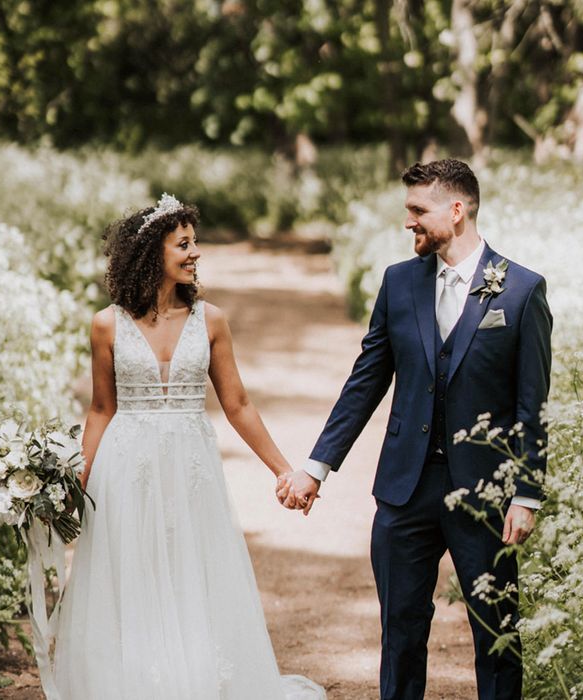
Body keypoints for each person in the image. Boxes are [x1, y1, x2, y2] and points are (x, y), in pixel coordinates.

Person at [277, 160, 552, 700]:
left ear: (457, 210)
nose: (409, 222)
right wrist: (316, 467)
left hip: (484, 495)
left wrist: (526, 493)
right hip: (405, 490)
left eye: (417, 210)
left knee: (497, 635)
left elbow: (532, 405)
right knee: (399, 633)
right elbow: (366, 381)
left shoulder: (521, 291)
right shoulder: (398, 282)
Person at [53, 194, 325, 700]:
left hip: (190, 466)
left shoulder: (211, 320)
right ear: (152, 252)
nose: (195, 252)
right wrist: (76, 485)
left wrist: (284, 471)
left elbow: (238, 403)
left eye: (194, 242)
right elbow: (100, 410)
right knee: (133, 574)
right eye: (184, 244)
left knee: (192, 572)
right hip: (126, 467)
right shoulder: (105, 324)